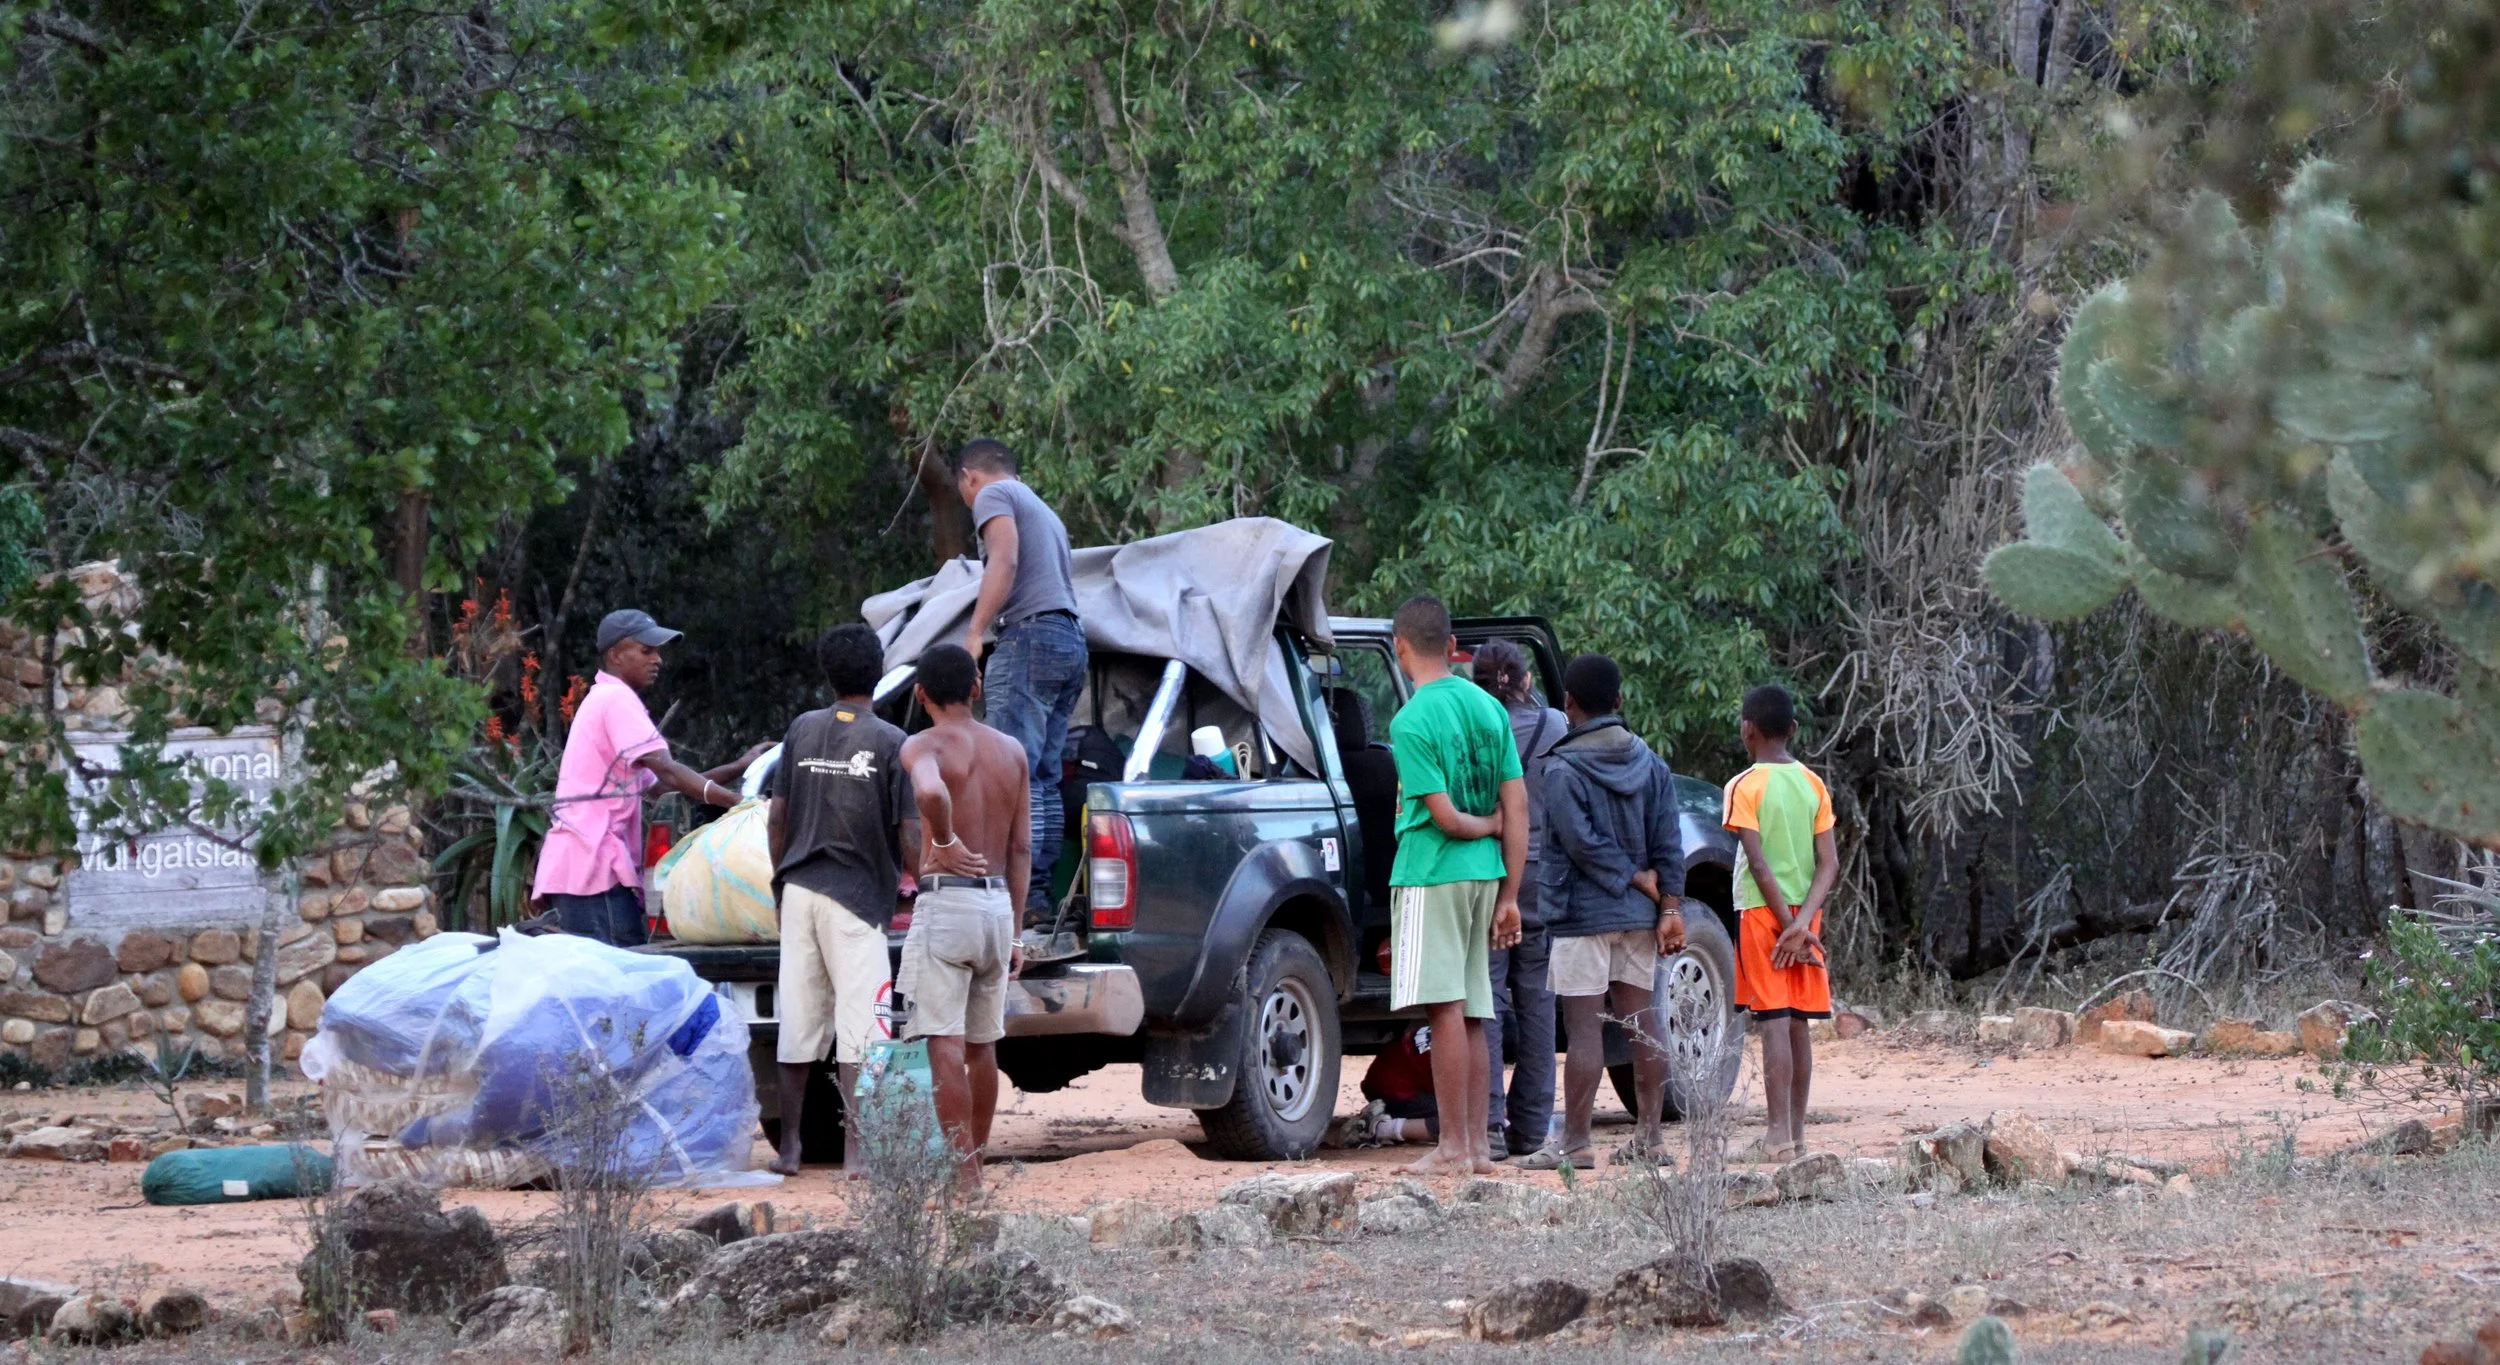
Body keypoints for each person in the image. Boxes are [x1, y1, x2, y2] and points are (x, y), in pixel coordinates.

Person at [1520, 652, 1686, 1170]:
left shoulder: (1562, 767)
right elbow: (1669, 841)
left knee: (1585, 1028)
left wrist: (1629, 877)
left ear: (1568, 703)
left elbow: (1579, 841)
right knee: (1643, 1020)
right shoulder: (1651, 761)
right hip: (1639, 916)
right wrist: (1669, 905)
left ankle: (1575, 1143)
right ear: (1618, 701)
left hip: (1580, 915)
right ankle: (1651, 1137)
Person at [763, 624, 916, 1177]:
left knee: (798, 1019)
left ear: (827, 674)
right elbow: (908, 832)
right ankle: (857, 1153)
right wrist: (922, 880)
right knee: (863, 1024)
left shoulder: (801, 730)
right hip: (856, 899)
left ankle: (790, 1149)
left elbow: (777, 817)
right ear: (878, 672)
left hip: (800, 891)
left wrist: (781, 882)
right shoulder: (892, 741)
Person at [1384, 594, 1528, 1176]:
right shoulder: (1489, 708)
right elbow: (1517, 806)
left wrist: (1482, 825)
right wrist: (1511, 894)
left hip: (1432, 872)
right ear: (1450, 646)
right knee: (1471, 1012)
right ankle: (1474, 1146)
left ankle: (1450, 1148)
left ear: (1399, 647)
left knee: (1442, 1010)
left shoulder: (1410, 720)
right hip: (1485, 878)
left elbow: (1442, 816)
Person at [532, 609, 760, 946]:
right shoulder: (615, 699)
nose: (658, 660)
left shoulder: (605, 699)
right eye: (646, 650)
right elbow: (667, 769)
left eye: (658, 651)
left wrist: (739, 766)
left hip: (582, 871)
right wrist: (741, 804)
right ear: (614, 655)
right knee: (619, 986)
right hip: (594, 871)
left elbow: (661, 786)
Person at [896, 643, 1028, 1194]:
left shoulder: (923, 743)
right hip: (998, 906)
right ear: (976, 688)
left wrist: (945, 840)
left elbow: (928, 788)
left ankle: (964, 1176)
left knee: (943, 1042)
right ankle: (975, 1162)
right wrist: (1018, 930)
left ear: (921, 694)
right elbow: (1021, 849)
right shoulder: (1012, 751)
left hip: (948, 901)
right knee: (982, 1045)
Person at [952, 438, 1086, 924]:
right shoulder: (1044, 510)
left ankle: (1011, 900)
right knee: (1042, 778)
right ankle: (1036, 900)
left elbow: (1003, 561)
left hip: (1029, 639)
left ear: (970, 476)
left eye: (964, 492)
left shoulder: (993, 495)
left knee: (1009, 773)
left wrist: (973, 633)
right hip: (1069, 640)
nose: (970, 504)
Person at [1723, 683, 1839, 1162]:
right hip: (1809, 919)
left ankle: (1775, 1138)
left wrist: (1785, 926)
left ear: (1747, 729)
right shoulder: (1814, 784)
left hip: (1760, 913)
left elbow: (1757, 862)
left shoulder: (1743, 785)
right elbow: (1829, 864)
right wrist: (1804, 922)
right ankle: (1796, 1133)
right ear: (1792, 730)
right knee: (1798, 1024)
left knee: (1773, 1020)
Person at [1470, 639, 1566, 1158]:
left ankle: (1486, 1126)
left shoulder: (1472, 725)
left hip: (1488, 872)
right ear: (1526, 680)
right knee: (1538, 1002)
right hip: (1541, 878)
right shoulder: (1553, 725)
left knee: (1485, 998)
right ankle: (1531, 1128)